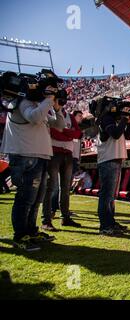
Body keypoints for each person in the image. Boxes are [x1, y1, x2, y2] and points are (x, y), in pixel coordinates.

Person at [0, 70, 66, 251]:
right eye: (50, 88)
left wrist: (57, 108)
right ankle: (20, 236)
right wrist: (48, 100)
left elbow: (60, 125)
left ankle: (31, 231)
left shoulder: (39, 104)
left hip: (40, 155)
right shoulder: (22, 101)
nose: (53, 92)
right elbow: (34, 117)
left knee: (36, 198)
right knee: (25, 198)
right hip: (25, 155)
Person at [41, 94, 83, 231]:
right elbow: (53, 132)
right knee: (51, 187)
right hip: (53, 153)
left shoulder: (69, 116)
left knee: (66, 188)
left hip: (68, 154)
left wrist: (63, 131)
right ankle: (46, 220)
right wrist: (68, 133)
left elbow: (78, 134)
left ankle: (65, 217)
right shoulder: (47, 112)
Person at [96, 99, 130, 236]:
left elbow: (128, 136)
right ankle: (105, 226)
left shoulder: (118, 120)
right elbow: (116, 134)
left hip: (116, 159)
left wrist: (129, 122)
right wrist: (124, 119)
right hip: (108, 159)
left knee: (111, 196)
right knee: (106, 195)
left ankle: (110, 222)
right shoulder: (105, 119)